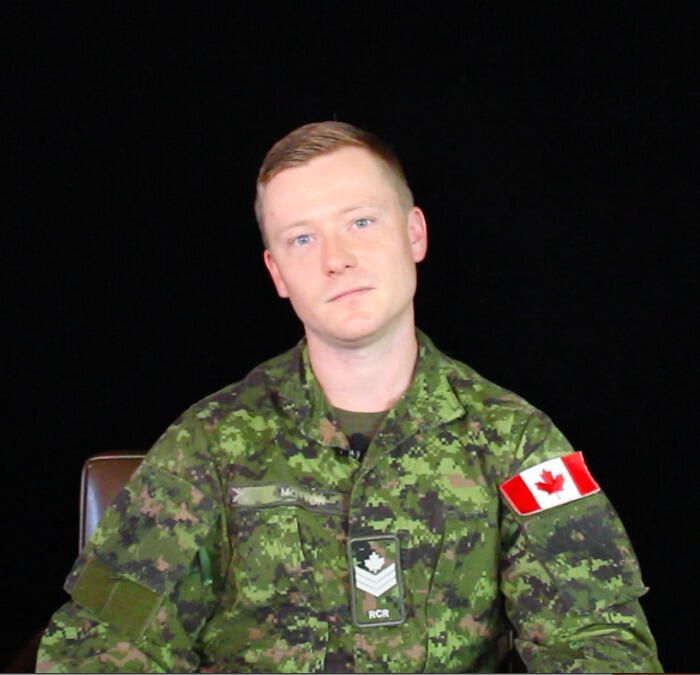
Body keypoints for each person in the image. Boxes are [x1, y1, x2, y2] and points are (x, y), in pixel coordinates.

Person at [37, 121, 662, 673]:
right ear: (277, 273)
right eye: (302, 239)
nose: (336, 259)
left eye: (361, 222)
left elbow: (597, 640)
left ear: (414, 234)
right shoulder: (209, 443)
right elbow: (100, 647)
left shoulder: (516, 441)